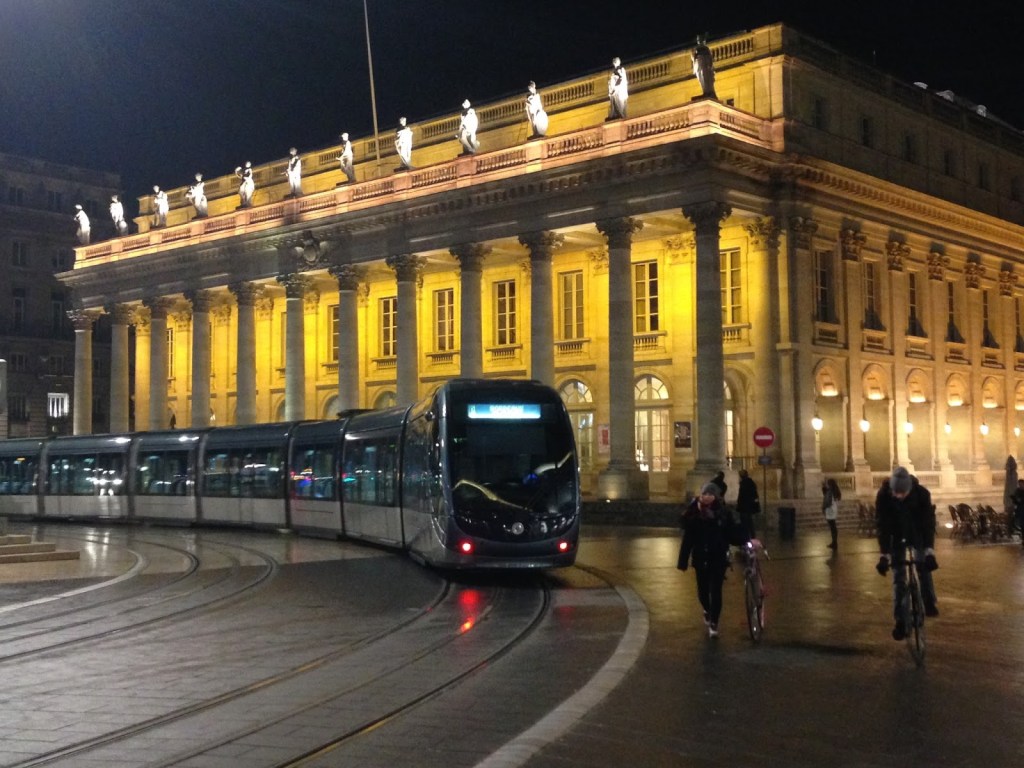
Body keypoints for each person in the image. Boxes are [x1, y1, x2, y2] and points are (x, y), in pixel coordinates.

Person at [875, 467, 939, 641]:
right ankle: (900, 621)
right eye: (896, 492)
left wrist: (929, 551)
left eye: (902, 493)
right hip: (896, 536)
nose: (899, 496)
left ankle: (928, 600)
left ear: (910, 489)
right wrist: (884, 555)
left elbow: (927, 524)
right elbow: (883, 526)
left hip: (917, 533)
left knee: (923, 565)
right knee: (899, 578)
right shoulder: (884, 496)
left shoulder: (922, 494)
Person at [678, 482, 750, 637]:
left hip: (718, 557)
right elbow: (688, 538)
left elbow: (732, 533)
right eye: (704, 494)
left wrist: (746, 540)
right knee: (703, 591)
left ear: (716, 496)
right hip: (700, 557)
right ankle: (707, 609)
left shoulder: (723, 513)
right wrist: (682, 560)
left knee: (716, 590)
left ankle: (714, 623)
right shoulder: (693, 514)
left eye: (710, 494)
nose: (706, 497)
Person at [736, 468, 760, 539]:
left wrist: (739, 505)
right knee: (749, 522)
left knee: (745, 522)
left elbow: (741, 496)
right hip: (749, 506)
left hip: (744, 507)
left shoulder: (744, 484)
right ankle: (752, 535)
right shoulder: (751, 483)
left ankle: (746, 536)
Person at [692, 35, 717, 99]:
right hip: (699, 66)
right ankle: (705, 92)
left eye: (700, 40)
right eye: (698, 40)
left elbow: (710, 59)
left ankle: (708, 92)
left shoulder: (706, 49)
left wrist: (710, 66)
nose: (699, 41)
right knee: (701, 79)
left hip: (705, 66)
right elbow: (694, 59)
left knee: (706, 78)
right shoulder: (697, 49)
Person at [822, 477, 841, 550]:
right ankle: (834, 542)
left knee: (832, 526)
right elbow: (825, 493)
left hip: (830, 509)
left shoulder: (830, 491)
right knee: (833, 526)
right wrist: (823, 486)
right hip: (833, 509)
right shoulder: (834, 490)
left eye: (827, 483)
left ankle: (834, 542)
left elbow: (827, 500)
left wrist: (823, 508)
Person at [1011, 479, 1024, 547]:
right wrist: (1015, 499)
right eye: (1019, 484)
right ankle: (1023, 539)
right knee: (1022, 525)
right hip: (1020, 509)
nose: (1020, 485)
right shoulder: (1017, 491)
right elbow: (1015, 500)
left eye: (1021, 484)